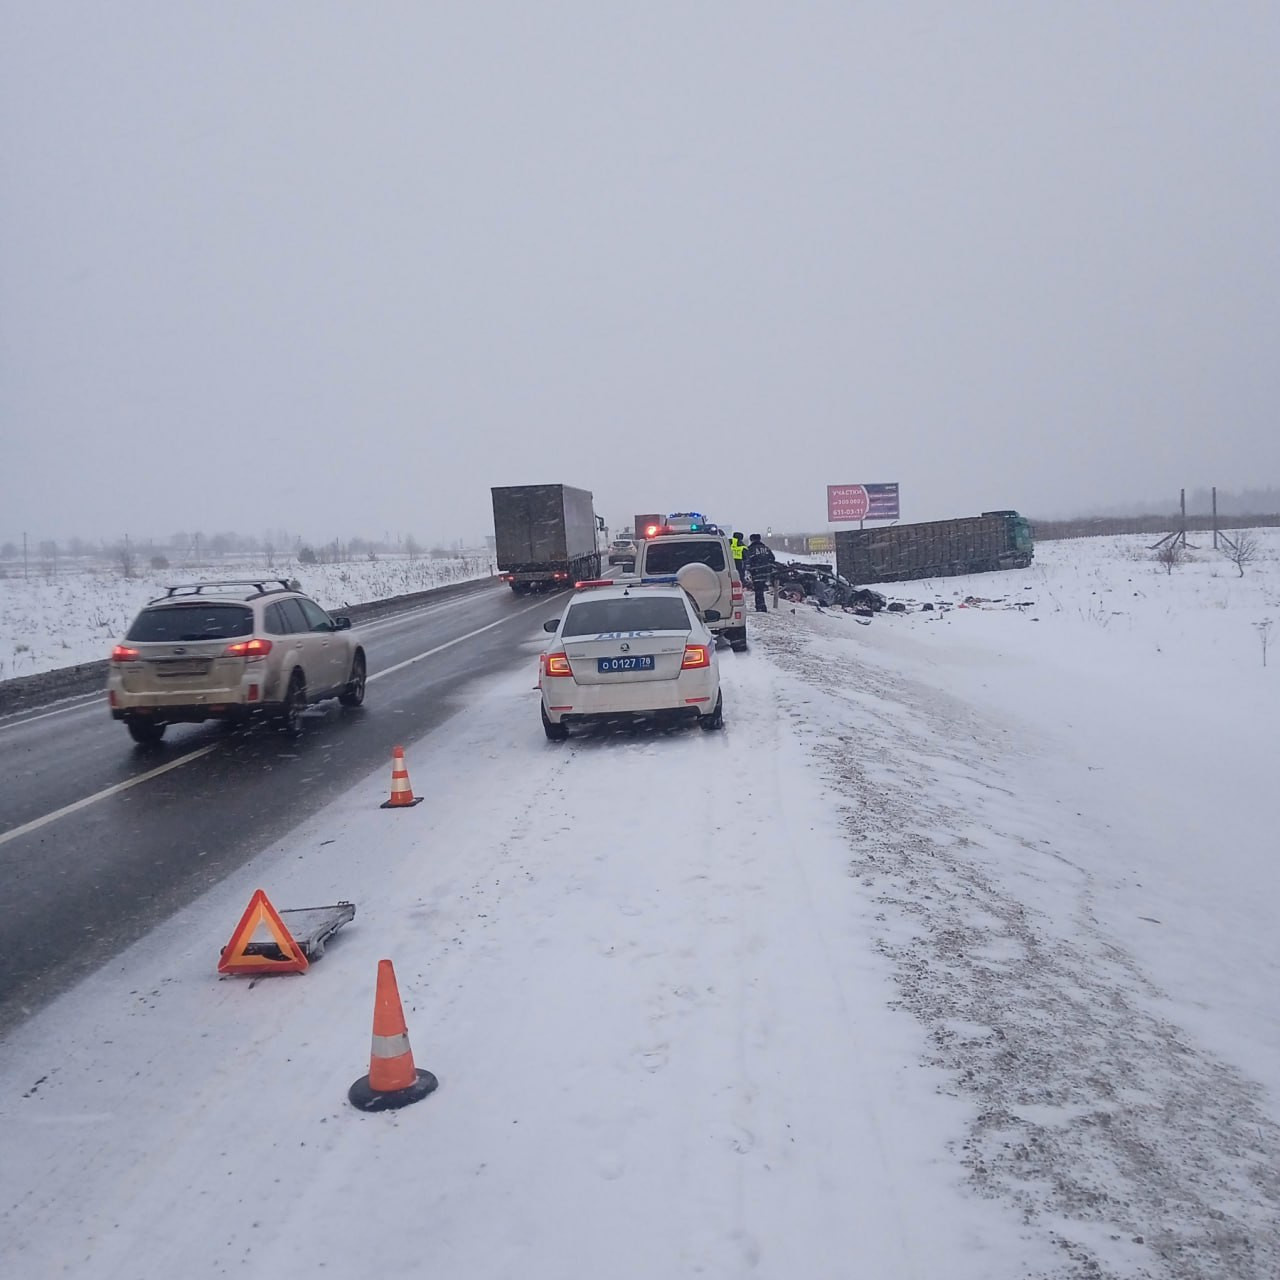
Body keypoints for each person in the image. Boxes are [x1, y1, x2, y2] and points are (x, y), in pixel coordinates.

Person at [742, 533, 776, 611]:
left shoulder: (750, 549)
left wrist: (749, 569)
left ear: (751, 540)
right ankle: (762, 606)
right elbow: (772, 558)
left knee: (758, 590)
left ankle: (760, 607)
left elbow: (747, 561)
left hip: (756, 572)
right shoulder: (766, 548)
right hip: (766, 572)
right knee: (760, 589)